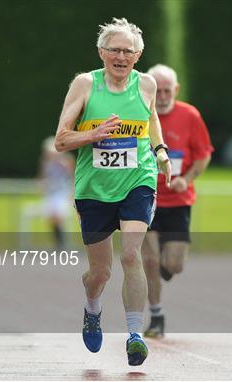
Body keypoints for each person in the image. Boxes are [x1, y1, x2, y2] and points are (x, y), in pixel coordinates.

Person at [54, 18, 171, 366]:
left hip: (138, 180)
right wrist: (93, 135)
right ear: (102, 52)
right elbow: (61, 139)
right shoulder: (85, 85)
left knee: (132, 255)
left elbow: (150, 118)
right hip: (94, 189)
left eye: (128, 51)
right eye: (115, 50)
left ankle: (135, 334)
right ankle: (92, 309)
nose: (121, 56)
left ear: (138, 55)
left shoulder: (147, 85)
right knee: (100, 273)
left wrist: (160, 149)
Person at [141, 64, 213, 338]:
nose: (162, 97)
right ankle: (156, 316)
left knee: (174, 265)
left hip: (178, 200)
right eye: (158, 91)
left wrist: (189, 177)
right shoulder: (139, 115)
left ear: (176, 90)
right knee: (148, 258)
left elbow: (204, 153)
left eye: (167, 91)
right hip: (145, 197)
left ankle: (163, 265)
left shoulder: (190, 115)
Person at [38, 136, 75, 248]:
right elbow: (42, 177)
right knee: (50, 216)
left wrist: (72, 193)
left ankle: (61, 242)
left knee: (58, 215)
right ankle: (58, 242)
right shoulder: (45, 162)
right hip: (51, 194)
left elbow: (72, 176)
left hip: (63, 194)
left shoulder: (67, 161)